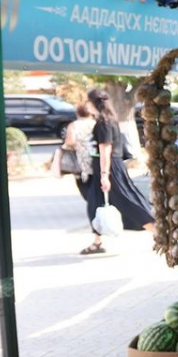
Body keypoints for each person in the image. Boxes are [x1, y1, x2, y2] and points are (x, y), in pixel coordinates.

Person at [78, 89, 155, 254]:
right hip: (105, 168)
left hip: (110, 168)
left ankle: (158, 232)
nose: (86, 104)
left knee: (127, 201)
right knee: (94, 204)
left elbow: (106, 149)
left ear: (94, 103)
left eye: (88, 101)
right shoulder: (104, 120)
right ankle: (97, 242)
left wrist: (105, 175)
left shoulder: (104, 122)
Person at [57, 102, 101, 253]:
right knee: (96, 200)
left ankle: (98, 237)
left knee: (90, 201)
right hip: (97, 166)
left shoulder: (74, 125)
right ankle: (99, 234)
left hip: (81, 168)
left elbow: (69, 142)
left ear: (78, 113)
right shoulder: (96, 123)